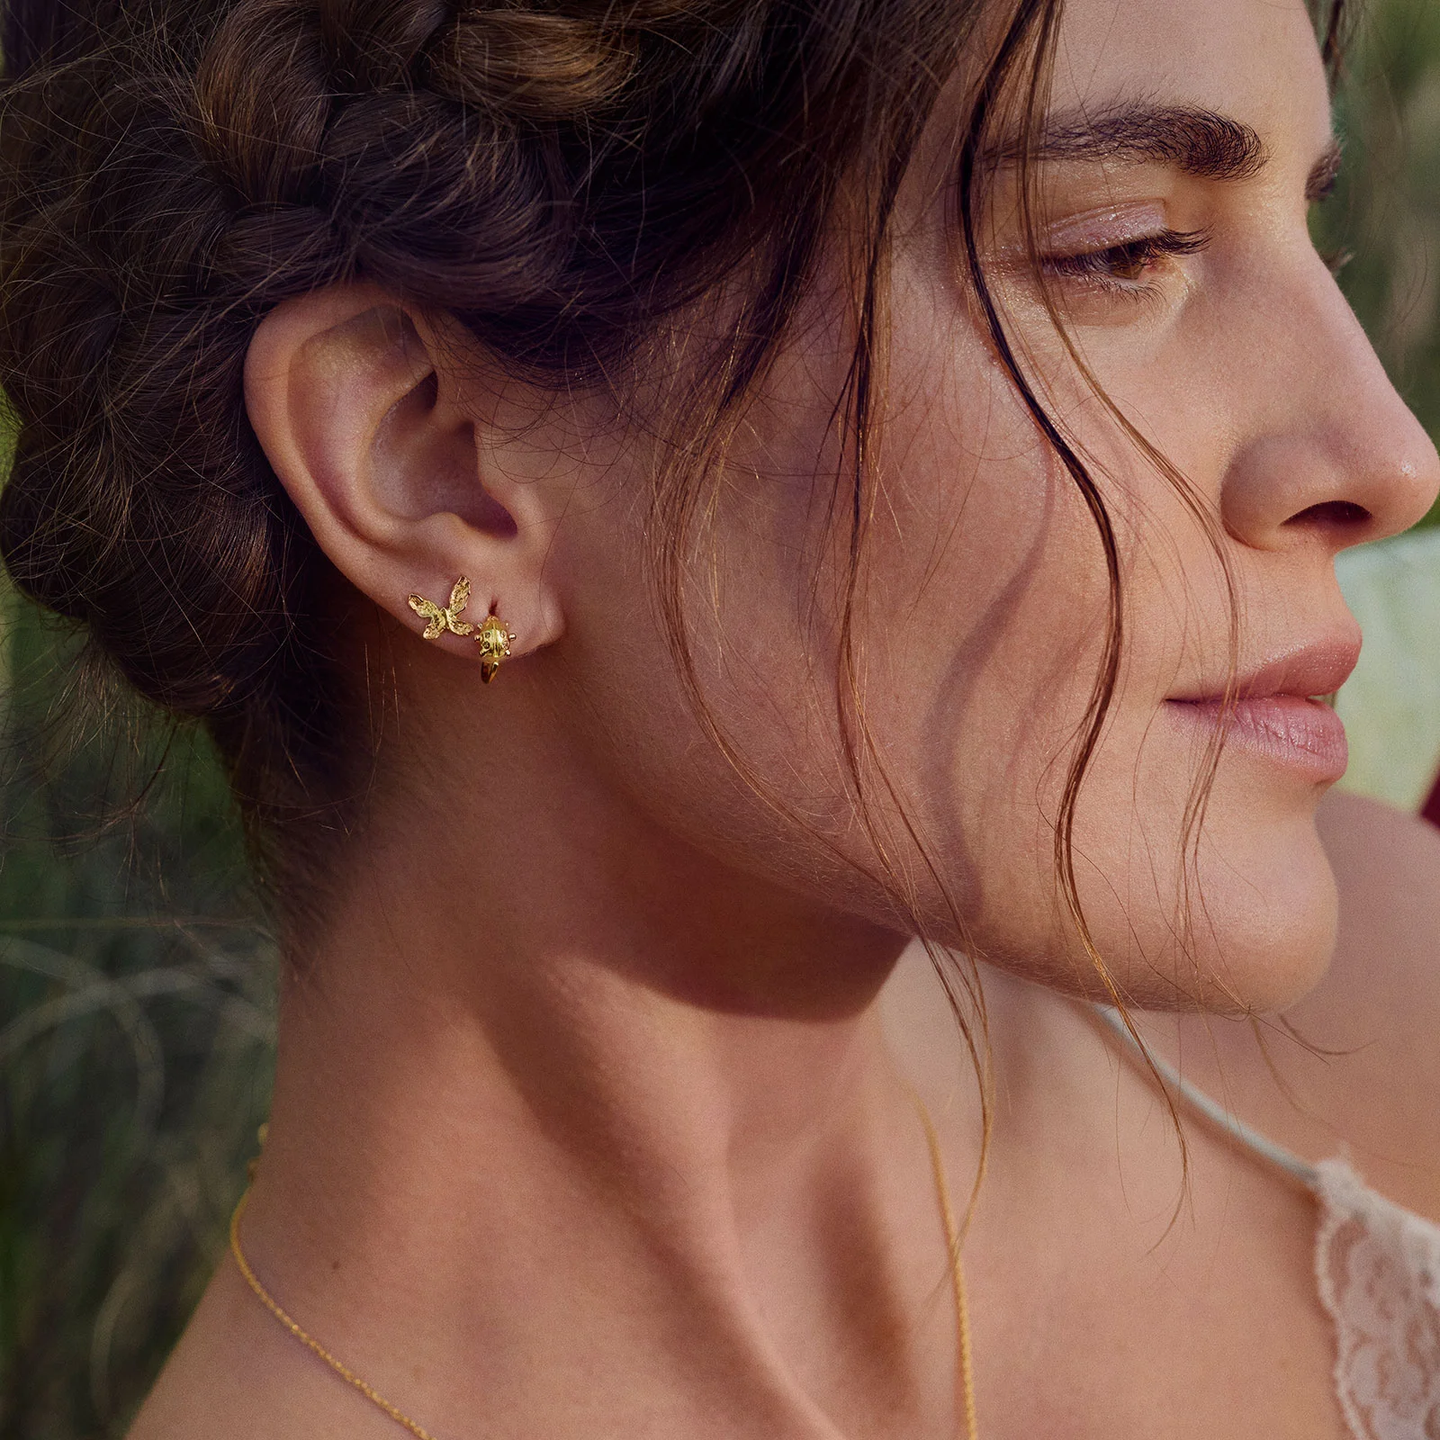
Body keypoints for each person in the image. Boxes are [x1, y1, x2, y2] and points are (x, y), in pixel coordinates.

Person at [0, 0, 1434, 1435]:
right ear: (436, 463)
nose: (1391, 458)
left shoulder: (1391, 1016)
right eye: (1123, 249)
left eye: (1312, 232)